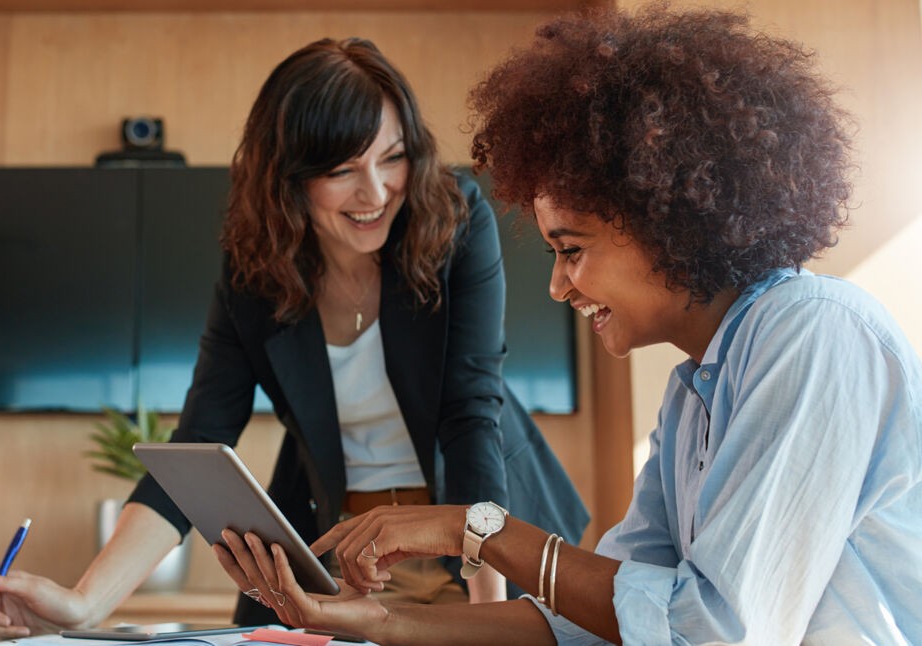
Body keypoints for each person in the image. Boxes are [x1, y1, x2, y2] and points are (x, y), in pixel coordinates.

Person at [215, 5, 922, 644]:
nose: (558, 286)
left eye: (571, 250)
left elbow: (712, 631)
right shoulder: (691, 397)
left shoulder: (814, 332)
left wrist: (475, 529)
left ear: (667, 219)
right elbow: (600, 619)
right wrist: (376, 622)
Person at [0, 37, 588, 637]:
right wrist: (82, 605)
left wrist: (489, 616)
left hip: (478, 544)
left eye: (392, 157)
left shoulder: (454, 219)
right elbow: (199, 444)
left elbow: (469, 412)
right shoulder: (256, 271)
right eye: (343, 170)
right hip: (344, 559)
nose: (375, 192)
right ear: (289, 178)